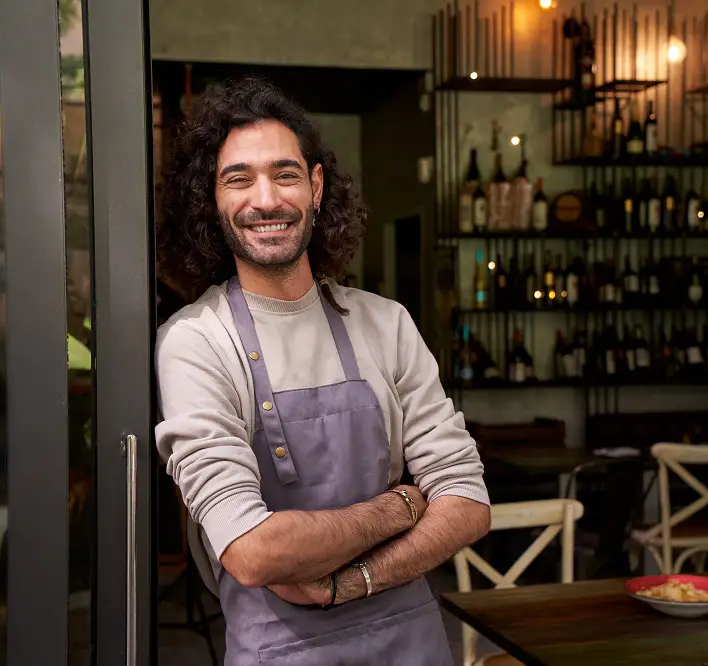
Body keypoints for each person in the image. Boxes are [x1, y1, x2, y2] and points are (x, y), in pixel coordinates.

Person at [154, 76, 490, 666]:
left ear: (314, 186)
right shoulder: (196, 341)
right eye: (239, 179)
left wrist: (346, 582)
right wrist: (401, 506)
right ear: (213, 200)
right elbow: (252, 551)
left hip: (412, 645)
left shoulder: (386, 323)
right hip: (279, 652)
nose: (265, 200)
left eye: (285, 174)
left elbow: (466, 500)